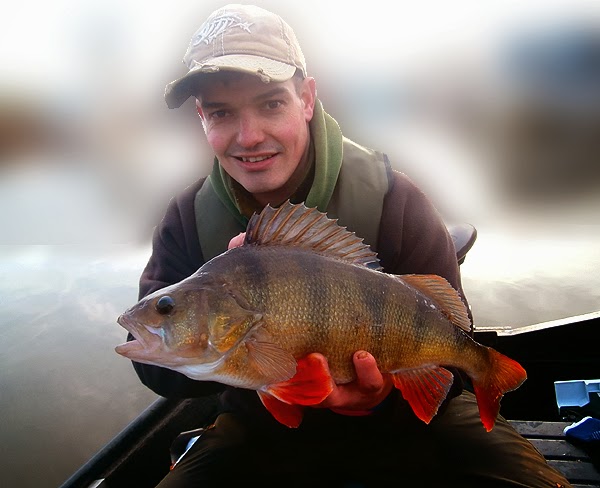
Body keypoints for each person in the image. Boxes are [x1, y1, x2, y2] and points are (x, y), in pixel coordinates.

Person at [130, 4, 571, 487]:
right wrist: (242, 361)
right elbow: (158, 373)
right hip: (261, 430)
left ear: (306, 98)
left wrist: (378, 399)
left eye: (271, 104)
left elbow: (454, 367)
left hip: (407, 423)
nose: (249, 136)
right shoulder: (186, 220)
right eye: (221, 112)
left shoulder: (395, 200)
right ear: (201, 117)